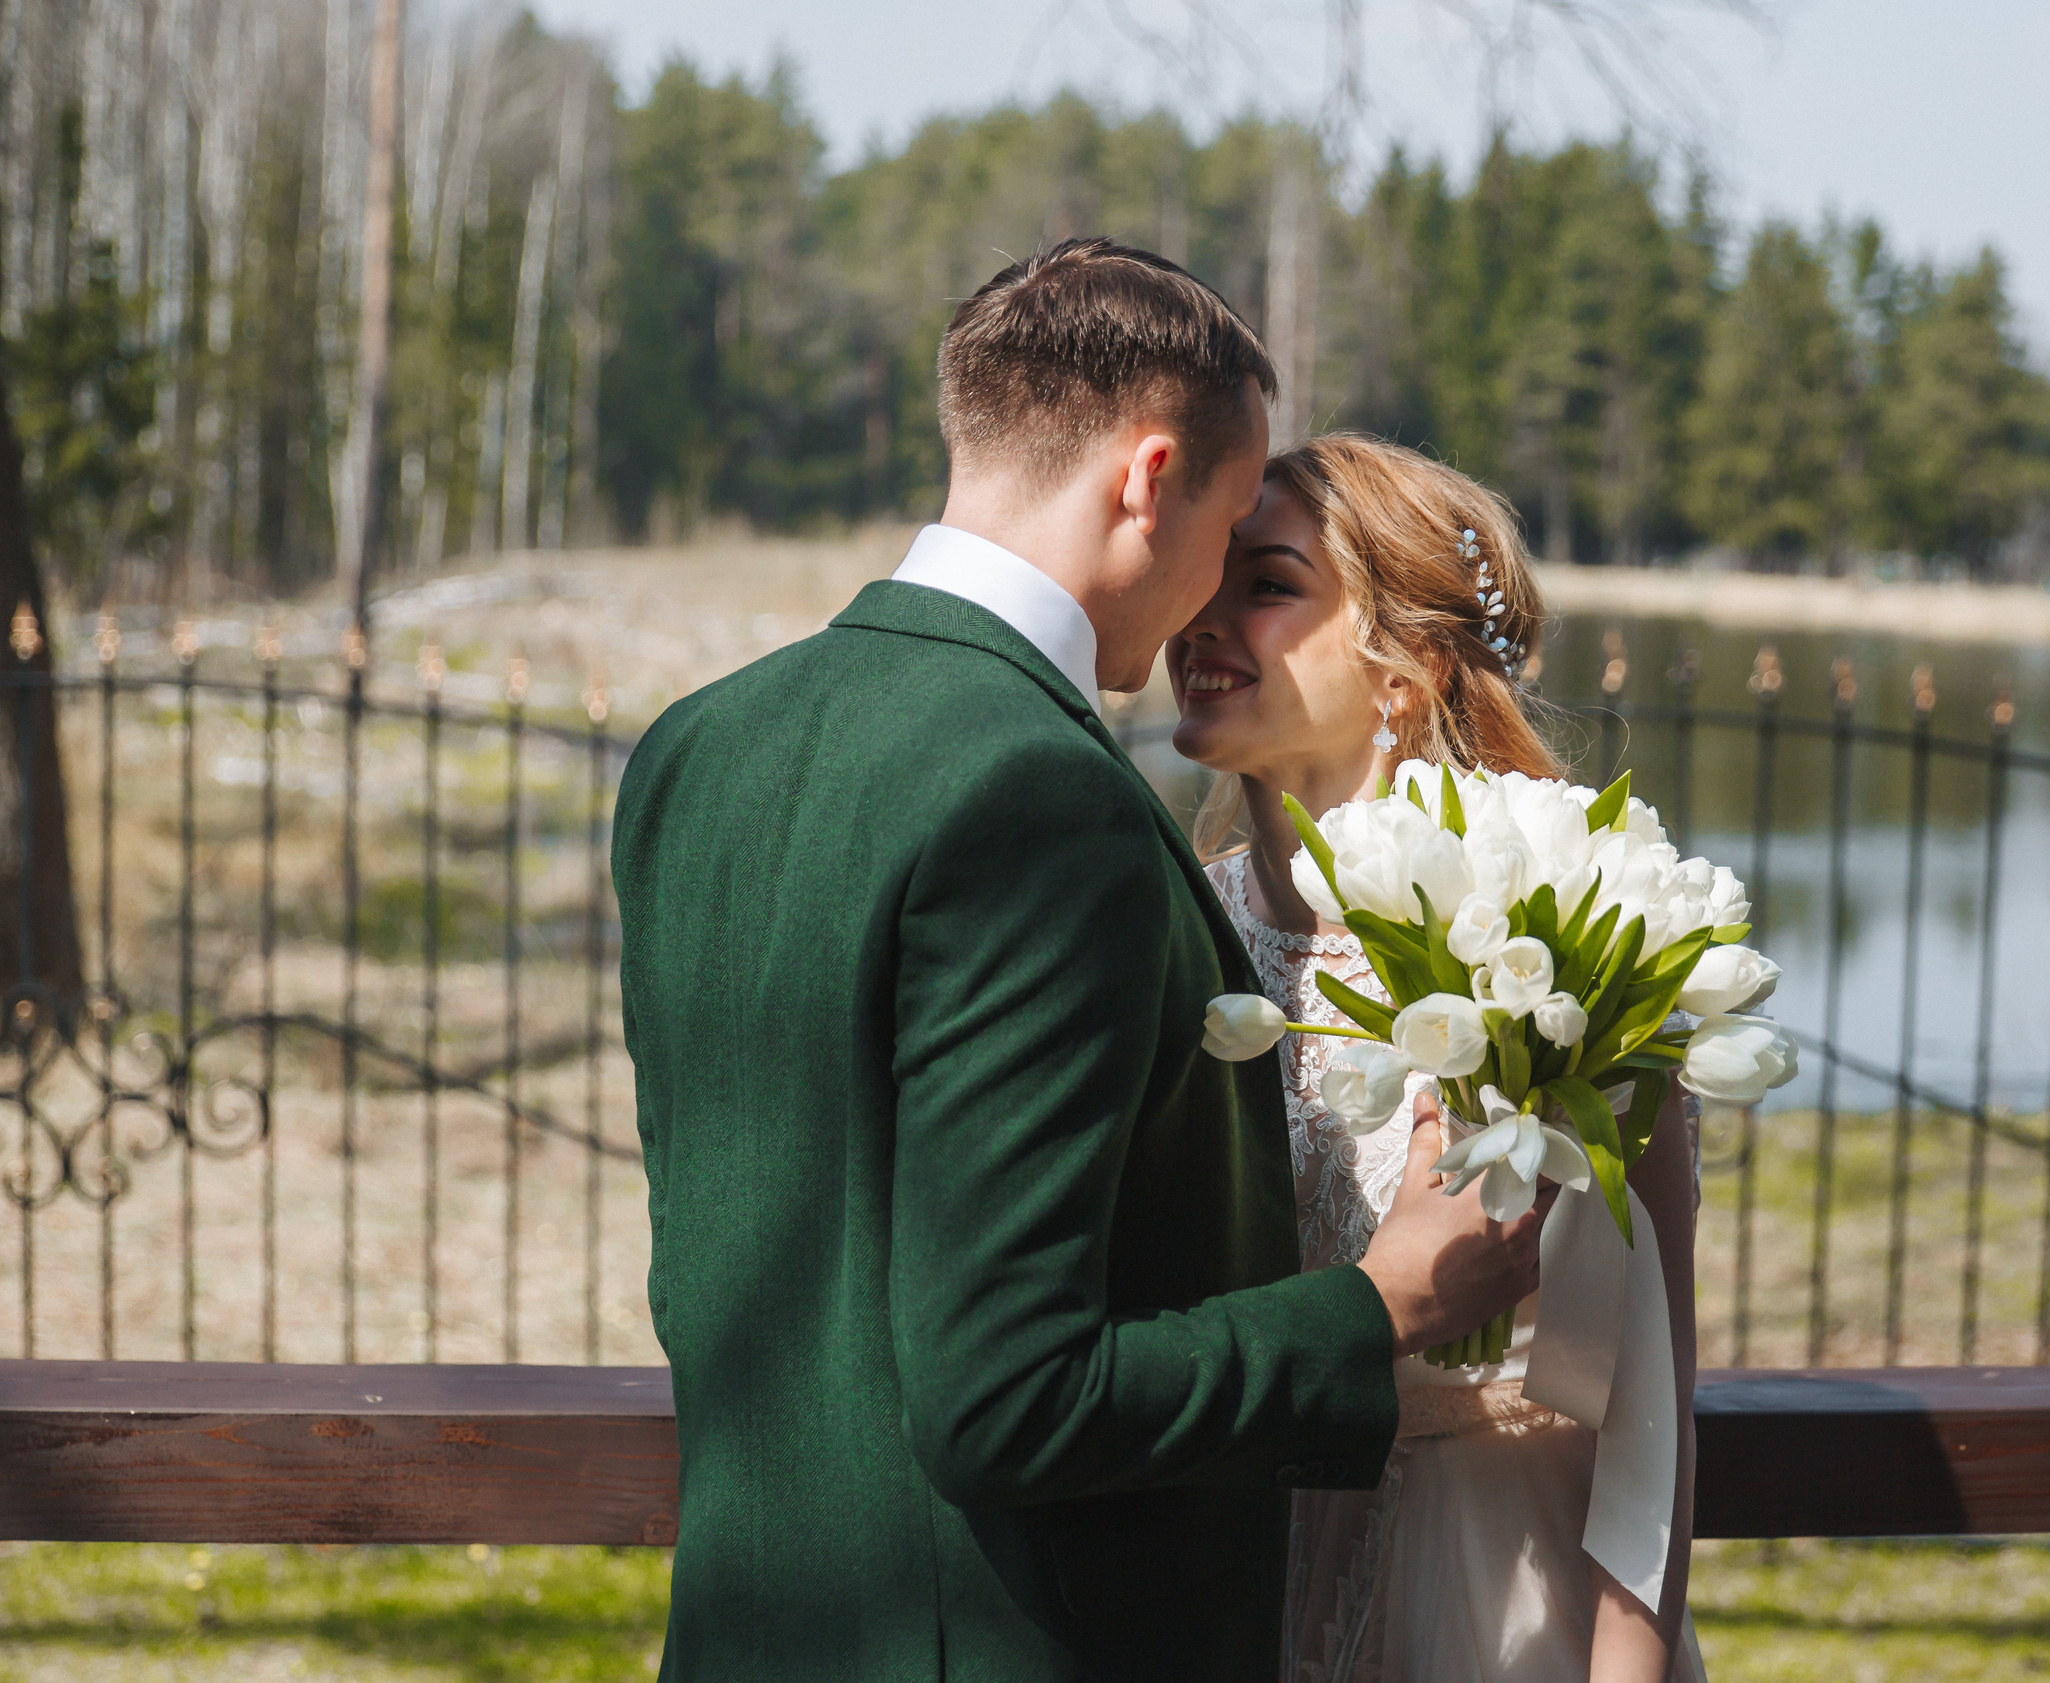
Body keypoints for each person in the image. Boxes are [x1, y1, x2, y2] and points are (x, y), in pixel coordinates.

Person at [614, 242, 1553, 1681]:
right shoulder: (1037, 796)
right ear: (1145, 477)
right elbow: (1007, 1394)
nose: (1205, 604)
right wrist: (1384, 1302)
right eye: (1228, 524)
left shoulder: (699, 746)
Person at [1168, 432, 1707, 1682]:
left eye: (1267, 582)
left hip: (1494, 1595)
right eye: (1208, 572)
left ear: (1401, 671)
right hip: (1222, 1577)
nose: (1204, 614)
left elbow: (1648, 1402)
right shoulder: (1173, 930)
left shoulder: (1564, 941)